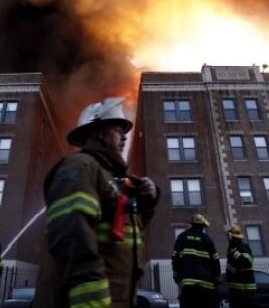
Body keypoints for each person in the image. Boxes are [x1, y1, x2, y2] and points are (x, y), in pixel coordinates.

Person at [34, 97, 160, 308]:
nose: (124, 138)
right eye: (117, 130)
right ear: (99, 132)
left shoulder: (112, 179)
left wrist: (147, 203)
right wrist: (92, 297)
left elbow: (125, 237)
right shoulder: (79, 167)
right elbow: (71, 235)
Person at [172, 214, 221, 308]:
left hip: (188, 285)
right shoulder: (208, 239)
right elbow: (215, 261)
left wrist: (176, 276)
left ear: (192, 224)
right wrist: (217, 279)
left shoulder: (182, 237)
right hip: (207, 286)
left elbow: (175, 259)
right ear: (202, 226)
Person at [225, 224, 257, 308]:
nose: (227, 238)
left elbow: (248, 262)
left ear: (231, 237)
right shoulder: (233, 247)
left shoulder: (242, 247)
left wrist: (234, 253)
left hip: (245, 292)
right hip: (236, 290)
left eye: (228, 236)